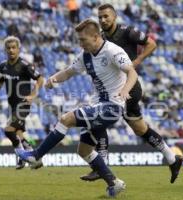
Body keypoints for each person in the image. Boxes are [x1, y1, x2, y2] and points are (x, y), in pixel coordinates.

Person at [17, 18, 138, 197]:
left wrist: (125, 90)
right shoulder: (86, 55)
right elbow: (69, 71)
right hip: (99, 105)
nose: (80, 43)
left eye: (83, 40)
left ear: (96, 37)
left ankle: (36, 155)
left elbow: (132, 72)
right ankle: (114, 183)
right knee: (83, 150)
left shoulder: (113, 51)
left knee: (66, 119)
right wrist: (53, 79)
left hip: (112, 107)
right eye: (79, 40)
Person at [80, 3, 183, 183]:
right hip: (116, 89)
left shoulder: (127, 32)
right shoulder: (101, 38)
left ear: (115, 16)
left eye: (106, 16)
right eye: (100, 17)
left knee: (99, 117)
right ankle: (172, 159)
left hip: (129, 87)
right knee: (140, 128)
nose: (103, 20)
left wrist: (137, 61)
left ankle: (100, 166)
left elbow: (151, 43)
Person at [0, 36, 44, 169]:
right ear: (5, 50)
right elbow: (0, 80)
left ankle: (22, 156)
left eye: (14, 48)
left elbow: (40, 79)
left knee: (9, 130)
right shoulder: (3, 66)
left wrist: (32, 95)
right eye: (8, 48)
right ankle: (33, 156)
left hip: (23, 104)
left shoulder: (25, 65)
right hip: (12, 104)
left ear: (18, 49)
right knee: (18, 133)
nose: (11, 50)